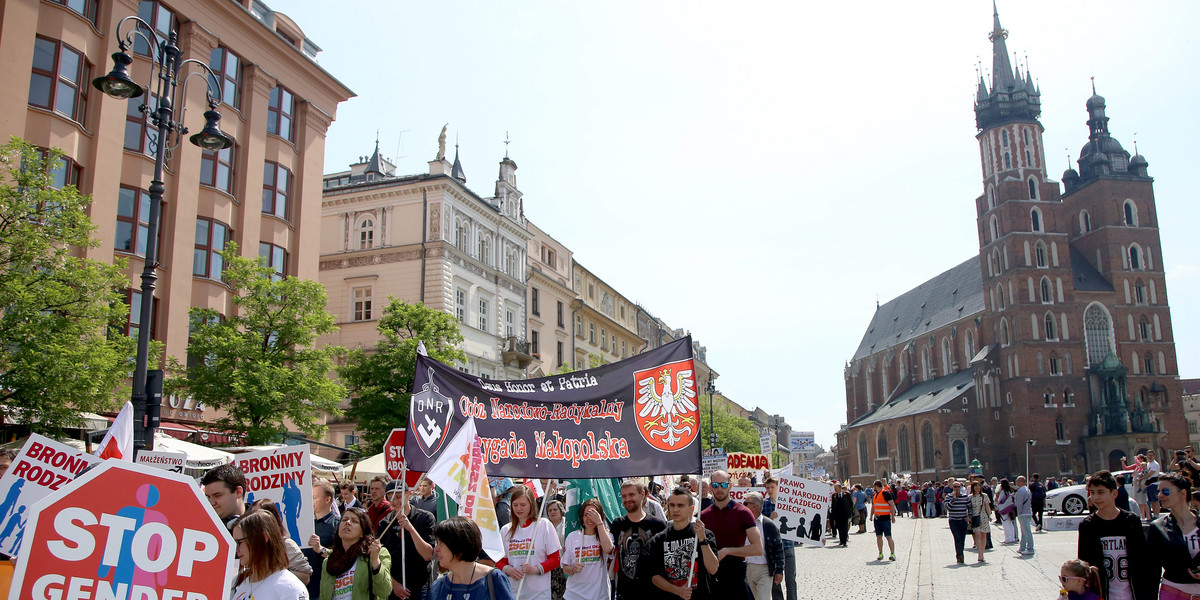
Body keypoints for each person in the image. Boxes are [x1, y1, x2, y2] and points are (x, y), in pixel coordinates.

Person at [1077, 470, 1154, 600]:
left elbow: (1143, 561)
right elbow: (1085, 565)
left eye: (1101, 492)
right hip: (1102, 594)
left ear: (1114, 493)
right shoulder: (1088, 525)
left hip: (1133, 593)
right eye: (1092, 492)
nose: (1095, 497)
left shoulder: (1131, 521)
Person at [646, 488, 719, 600]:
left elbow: (713, 568)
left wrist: (703, 540)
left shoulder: (704, 534)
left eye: (680, 506)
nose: (675, 509)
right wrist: (677, 591)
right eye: (672, 505)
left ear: (691, 509)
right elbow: (654, 576)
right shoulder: (658, 539)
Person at [700, 470, 761, 600]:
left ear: (730, 486)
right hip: (712, 578)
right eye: (716, 485)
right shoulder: (703, 515)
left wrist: (727, 551)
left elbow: (757, 548)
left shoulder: (743, 512)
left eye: (723, 485)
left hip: (736, 576)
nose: (719, 489)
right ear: (710, 487)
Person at [497, 484, 561, 600]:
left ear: (531, 505)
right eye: (515, 505)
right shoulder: (505, 530)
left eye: (522, 505)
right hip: (514, 592)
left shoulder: (543, 525)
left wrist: (535, 569)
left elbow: (556, 559)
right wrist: (509, 570)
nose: (518, 509)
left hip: (539, 594)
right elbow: (500, 561)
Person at [428, 517, 514, 600]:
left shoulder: (494, 579)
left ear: (459, 546)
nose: (436, 549)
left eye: (441, 543)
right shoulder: (438, 587)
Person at [232, 511, 311, 600]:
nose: (236, 550)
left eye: (239, 542)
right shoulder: (237, 581)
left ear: (264, 537)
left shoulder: (290, 588)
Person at [377, 482, 435, 600]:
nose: (395, 501)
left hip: (418, 584)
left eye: (398, 496)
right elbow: (380, 559)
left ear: (408, 494)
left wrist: (411, 529)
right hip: (393, 584)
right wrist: (393, 583)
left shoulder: (425, 518)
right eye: (390, 498)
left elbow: (428, 555)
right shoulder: (384, 523)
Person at [610, 479, 667, 600]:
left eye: (631, 494)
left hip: (653, 591)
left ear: (642, 495)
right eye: (624, 496)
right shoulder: (617, 524)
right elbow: (608, 550)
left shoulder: (658, 525)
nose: (627, 499)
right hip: (624, 592)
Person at [320, 506, 390, 600]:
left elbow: (384, 591)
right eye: (344, 520)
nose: (348, 523)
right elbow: (323, 596)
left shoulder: (376, 553)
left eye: (354, 521)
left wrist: (375, 560)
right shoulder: (329, 561)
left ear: (362, 532)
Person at [1148, 473, 1200, 598]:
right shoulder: (1158, 527)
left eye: (1165, 491)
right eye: (1158, 491)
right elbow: (1152, 569)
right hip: (1172, 592)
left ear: (1182, 493)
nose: (1160, 495)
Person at [251, 498, 314, 585]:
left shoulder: (287, 545)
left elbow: (305, 577)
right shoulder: (249, 545)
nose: (253, 519)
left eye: (258, 514)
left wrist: (274, 573)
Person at [561, 498, 613, 600]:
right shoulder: (572, 536)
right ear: (581, 517)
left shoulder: (606, 535)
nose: (589, 519)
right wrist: (573, 569)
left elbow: (608, 549)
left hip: (599, 595)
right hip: (573, 595)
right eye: (586, 515)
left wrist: (599, 523)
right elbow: (565, 567)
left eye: (594, 514)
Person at [741, 492, 783, 600]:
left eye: (746, 503)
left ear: (755, 506)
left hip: (764, 570)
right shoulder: (741, 524)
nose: (742, 506)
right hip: (747, 568)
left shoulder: (769, 525)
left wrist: (779, 571)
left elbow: (778, 548)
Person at [308, 481, 342, 599]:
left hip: (327, 589)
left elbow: (343, 556)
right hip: (307, 588)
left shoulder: (339, 524)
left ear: (327, 500)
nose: (310, 501)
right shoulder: (307, 524)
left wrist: (320, 549)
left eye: (314, 498)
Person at [202, 463, 250, 531]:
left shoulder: (261, 524)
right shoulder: (206, 528)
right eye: (208, 497)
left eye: (217, 495)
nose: (211, 502)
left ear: (238, 492)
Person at [544, 499, 567, 600]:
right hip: (552, 566)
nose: (552, 512)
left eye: (555, 510)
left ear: (561, 511)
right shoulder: (545, 527)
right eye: (549, 510)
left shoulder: (568, 525)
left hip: (566, 564)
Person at [869, 480, 897, 562]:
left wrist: (893, 516)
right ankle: (880, 553)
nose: (874, 488)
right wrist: (871, 515)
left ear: (877, 486)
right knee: (878, 536)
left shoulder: (886, 493)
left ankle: (892, 553)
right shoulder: (875, 495)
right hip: (877, 518)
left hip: (885, 518)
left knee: (888, 536)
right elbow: (873, 506)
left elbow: (892, 504)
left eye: (874, 486)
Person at [944, 480, 970, 564]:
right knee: (957, 538)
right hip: (953, 520)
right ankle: (959, 555)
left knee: (962, 539)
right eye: (955, 487)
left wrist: (969, 516)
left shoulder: (965, 496)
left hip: (963, 520)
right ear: (952, 487)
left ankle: (960, 553)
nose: (957, 488)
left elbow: (969, 507)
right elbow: (947, 507)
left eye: (958, 486)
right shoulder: (949, 496)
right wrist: (953, 499)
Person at [967, 481, 991, 563]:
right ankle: (979, 553)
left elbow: (987, 507)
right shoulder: (970, 497)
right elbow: (968, 508)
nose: (977, 487)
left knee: (984, 535)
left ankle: (982, 554)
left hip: (983, 517)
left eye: (978, 486)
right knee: (977, 534)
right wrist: (968, 517)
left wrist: (990, 516)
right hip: (975, 517)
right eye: (975, 486)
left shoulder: (984, 496)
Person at [827, 482, 854, 547]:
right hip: (837, 515)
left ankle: (844, 541)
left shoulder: (846, 494)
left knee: (844, 528)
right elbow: (833, 505)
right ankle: (841, 540)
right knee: (839, 528)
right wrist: (833, 515)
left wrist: (850, 511)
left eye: (836, 488)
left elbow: (851, 503)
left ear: (839, 488)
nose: (835, 489)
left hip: (845, 514)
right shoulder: (834, 496)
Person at [1014, 475, 1034, 556]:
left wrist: (1018, 513)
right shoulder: (1027, 489)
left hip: (1023, 513)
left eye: (1017, 481)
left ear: (1021, 481)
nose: (1016, 482)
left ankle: (1030, 548)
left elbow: (1019, 504)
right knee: (1024, 531)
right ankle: (1022, 547)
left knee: (1027, 531)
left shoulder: (1021, 491)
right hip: (1028, 512)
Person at [995, 479, 1017, 544]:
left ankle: (1007, 538)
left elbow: (999, 500)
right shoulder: (1010, 491)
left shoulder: (1003, 492)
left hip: (1004, 509)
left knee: (1005, 524)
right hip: (1010, 509)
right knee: (1010, 523)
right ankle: (1012, 537)